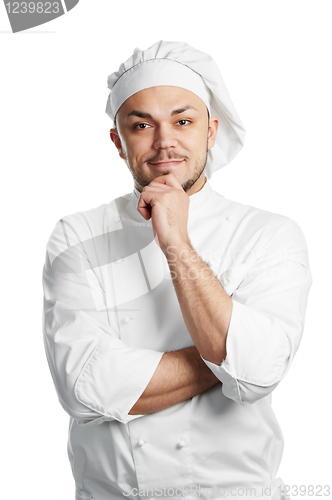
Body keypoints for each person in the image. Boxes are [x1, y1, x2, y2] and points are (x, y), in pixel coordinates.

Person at [42, 41, 312, 500]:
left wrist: (176, 244)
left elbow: (259, 371)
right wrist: (226, 355)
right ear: (117, 141)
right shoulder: (76, 235)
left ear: (210, 131)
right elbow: (84, 387)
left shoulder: (269, 234)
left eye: (183, 122)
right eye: (142, 124)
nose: (165, 141)